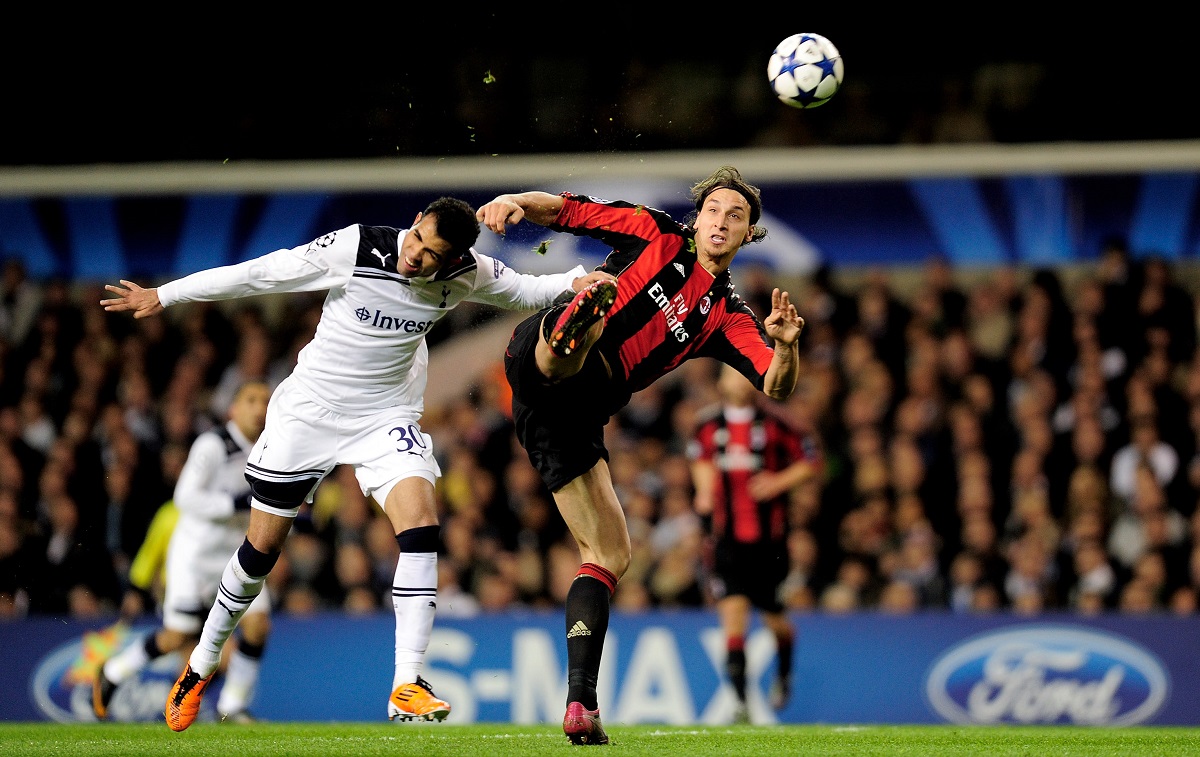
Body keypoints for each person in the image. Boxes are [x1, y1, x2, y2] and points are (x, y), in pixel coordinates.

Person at [101, 197, 605, 732]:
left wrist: (577, 281)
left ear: (454, 258)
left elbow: (526, 289)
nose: (415, 258)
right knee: (260, 551)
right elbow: (260, 274)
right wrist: (165, 294)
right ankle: (200, 665)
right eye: (417, 241)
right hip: (308, 412)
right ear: (414, 223)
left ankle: (407, 683)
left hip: (383, 416)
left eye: (432, 256)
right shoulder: (357, 246)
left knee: (422, 526)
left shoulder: (468, 273)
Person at [475, 166, 805, 744]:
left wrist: (785, 347)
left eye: (736, 215)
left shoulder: (728, 315)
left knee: (609, 553)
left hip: (568, 414)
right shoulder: (655, 232)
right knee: (575, 351)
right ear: (696, 218)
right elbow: (566, 210)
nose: (722, 221)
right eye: (714, 210)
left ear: (750, 233)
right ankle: (578, 324)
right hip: (543, 353)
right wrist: (512, 199)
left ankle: (581, 703)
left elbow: (775, 386)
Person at [93, 380, 273, 724]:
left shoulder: (271, 447)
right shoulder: (213, 445)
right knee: (177, 635)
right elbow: (184, 497)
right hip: (194, 554)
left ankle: (234, 705)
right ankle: (114, 670)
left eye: (265, 400)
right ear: (233, 409)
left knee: (259, 626)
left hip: (235, 552)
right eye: (251, 399)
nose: (260, 407)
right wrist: (233, 502)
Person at [689, 363, 822, 724]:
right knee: (733, 618)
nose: (740, 379)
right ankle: (742, 701)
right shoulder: (707, 425)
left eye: (745, 373)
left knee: (775, 621)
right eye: (732, 373)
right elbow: (699, 460)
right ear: (720, 381)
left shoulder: (779, 422)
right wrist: (703, 490)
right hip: (726, 541)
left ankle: (783, 672)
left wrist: (778, 483)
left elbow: (811, 459)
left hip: (769, 543)